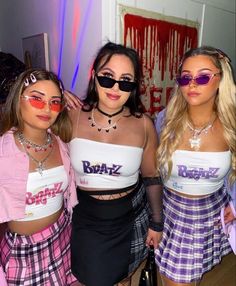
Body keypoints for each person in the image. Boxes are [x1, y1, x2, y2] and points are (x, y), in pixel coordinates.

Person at [64, 41, 163, 286]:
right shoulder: (71, 116)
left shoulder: (144, 124)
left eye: (126, 80)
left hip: (128, 219)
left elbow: (152, 176)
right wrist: (55, 91)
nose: (115, 87)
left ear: (134, 87)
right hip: (85, 219)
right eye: (107, 77)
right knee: (89, 278)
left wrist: (157, 223)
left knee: (123, 279)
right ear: (94, 75)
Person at [154, 46, 236, 286]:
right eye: (185, 77)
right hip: (170, 209)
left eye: (202, 77)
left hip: (208, 211)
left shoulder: (231, 124)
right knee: (170, 277)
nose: (192, 84)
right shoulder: (164, 120)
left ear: (221, 80)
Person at [0, 68, 78, 285]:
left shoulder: (61, 142)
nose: (46, 108)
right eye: (36, 99)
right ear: (18, 99)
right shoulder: (3, 151)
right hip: (23, 251)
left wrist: (66, 98)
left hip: (62, 236)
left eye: (54, 102)